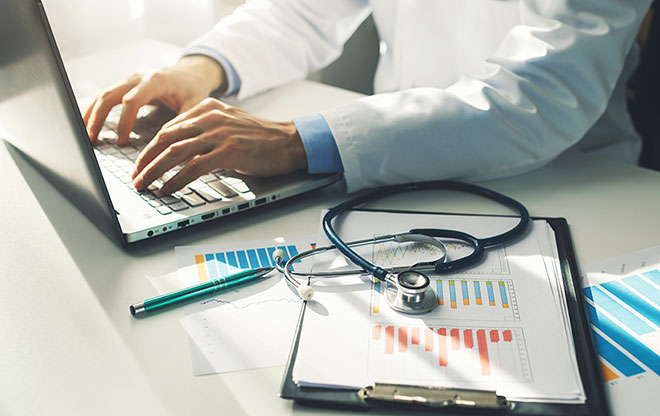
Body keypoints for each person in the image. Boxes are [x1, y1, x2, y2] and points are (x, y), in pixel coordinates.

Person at [84, 0, 652, 195]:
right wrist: (199, 69)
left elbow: (537, 97)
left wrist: (295, 141)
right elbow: (303, 11)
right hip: (398, 167)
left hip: (569, 183)